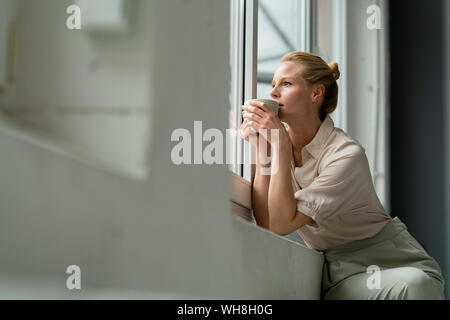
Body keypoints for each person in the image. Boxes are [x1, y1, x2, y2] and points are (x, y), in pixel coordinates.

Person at [239, 51, 445, 300]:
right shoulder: (281, 146)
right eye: (273, 84)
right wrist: (264, 151)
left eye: (286, 83)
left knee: (416, 284)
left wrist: (280, 146)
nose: (273, 93)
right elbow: (270, 224)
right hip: (337, 272)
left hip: (395, 262)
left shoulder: (346, 155)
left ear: (316, 93)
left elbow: (282, 224)